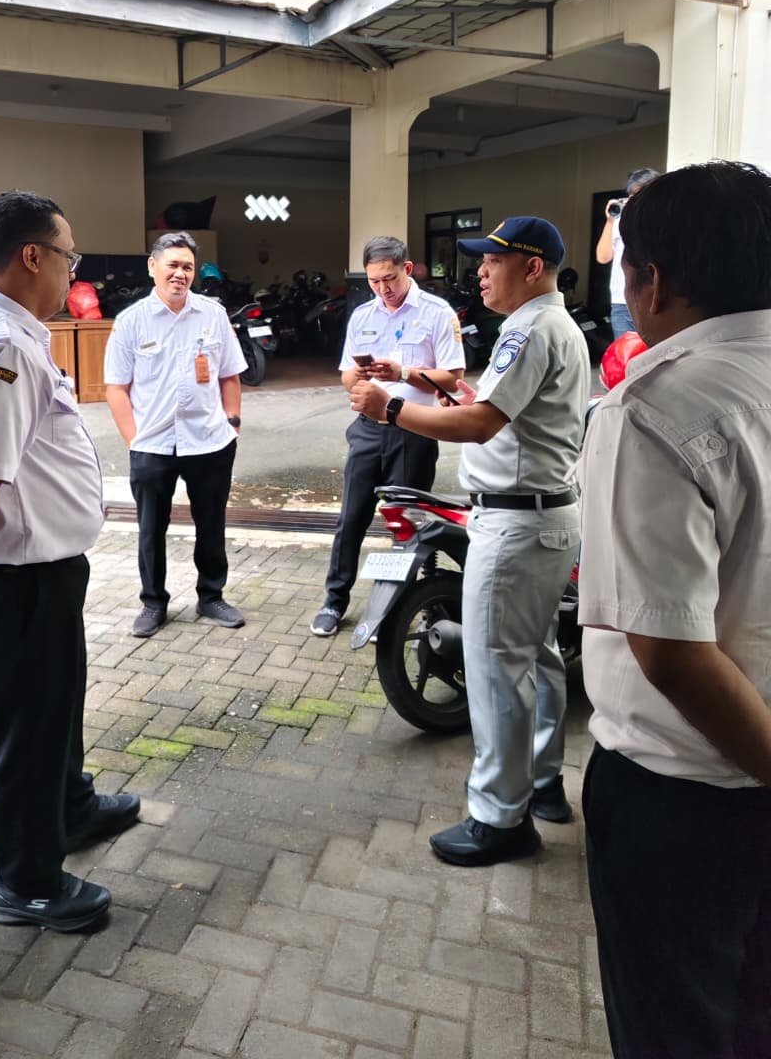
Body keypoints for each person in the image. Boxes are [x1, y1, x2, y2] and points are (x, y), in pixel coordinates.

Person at [578, 161, 771, 1059]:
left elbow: (673, 651)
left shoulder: (655, 405)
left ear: (651, 282)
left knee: (677, 1026)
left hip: (688, 798)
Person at [0, 190, 141, 933]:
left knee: (56, 710)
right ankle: (28, 882)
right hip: (11, 580)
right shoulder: (1, 347)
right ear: (34, 255)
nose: (72, 270)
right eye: (69, 255)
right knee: (27, 728)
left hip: (40, 572)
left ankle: (69, 810)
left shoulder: (12, 332)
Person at [351, 217, 589, 865]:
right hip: (543, 518)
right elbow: (484, 397)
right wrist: (416, 375)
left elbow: (481, 423)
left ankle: (499, 817)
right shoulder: (551, 327)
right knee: (535, 658)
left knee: (493, 670)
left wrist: (389, 407)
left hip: (514, 525)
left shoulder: (531, 328)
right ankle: (541, 783)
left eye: (494, 260)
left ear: (532, 267)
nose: (480, 270)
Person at [310, 236, 466, 637]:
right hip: (367, 431)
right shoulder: (363, 315)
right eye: (376, 281)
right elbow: (346, 374)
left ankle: (395, 611)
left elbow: (453, 377)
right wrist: (359, 380)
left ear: (407, 269)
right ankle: (334, 601)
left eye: (390, 279)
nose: (384, 289)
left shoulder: (437, 313)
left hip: (414, 429)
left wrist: (403, 373)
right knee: (352, 519)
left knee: (408, 527)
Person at [104, 231, 246, 639]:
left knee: (211, 522)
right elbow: (116, 387)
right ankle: (153, 602)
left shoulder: (213, 314)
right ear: (153, 267)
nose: (180, 274)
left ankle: (211, 596)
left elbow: (230, 375)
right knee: (151, 528)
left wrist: (231, 422)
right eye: (173, 265)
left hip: (209, 440)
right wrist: (134, 440)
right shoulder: (132, 321)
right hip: (153, 444)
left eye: (187, 267)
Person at [595, 167, 659, 338]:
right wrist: (610, 221)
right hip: (622, 301)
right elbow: (603, 257)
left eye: (640, 195)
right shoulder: (619, 220)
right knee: (625, 357)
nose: (635, 200)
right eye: (632, 195)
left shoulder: (662, 221)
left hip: (654, 298)